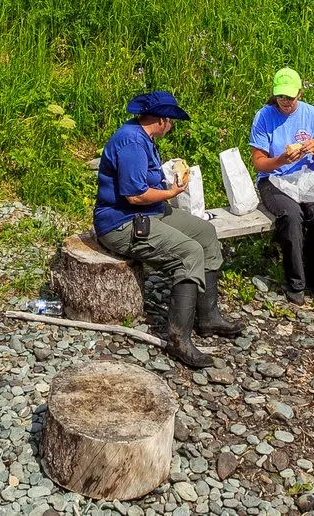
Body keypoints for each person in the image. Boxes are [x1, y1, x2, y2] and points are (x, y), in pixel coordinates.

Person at [94, 90, 243, 368]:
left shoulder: (145, 138)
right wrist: (171, 192)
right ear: (162, 120)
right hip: (121, 222)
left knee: (206, 235)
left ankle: (208, 316)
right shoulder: (131, 142)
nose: (172, 126)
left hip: (149, 212)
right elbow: (135, 195)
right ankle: (178, 339)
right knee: (189, 253)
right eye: (172, 120)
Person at [249, 67, 314, 299]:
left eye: (290, 97)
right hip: (274, 180)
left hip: (307, 177)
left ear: (300, 94)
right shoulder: (264, 116)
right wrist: (280, 160)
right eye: (281, 97)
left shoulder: (311, 114)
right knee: (291, 215)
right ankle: (296, 282)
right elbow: (258, 163)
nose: (285, 102)